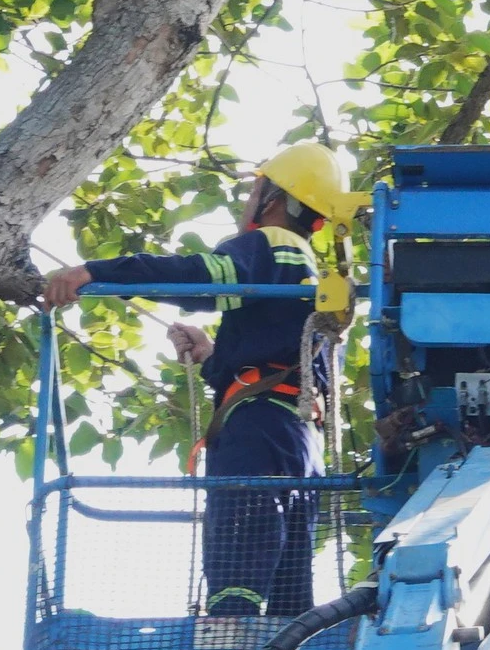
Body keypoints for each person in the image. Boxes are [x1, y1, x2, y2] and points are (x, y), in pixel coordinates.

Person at [42, 143, 364, 620]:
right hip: (299, 440)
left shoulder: (270, 244)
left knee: (241, 535)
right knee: (287, 566)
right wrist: (216, 359)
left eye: (255, 189)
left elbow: (203, 276)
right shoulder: (308, 273)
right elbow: (282, 359)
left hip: (258, 430)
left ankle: (227, 646)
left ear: (275, 197)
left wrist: (97, 271)